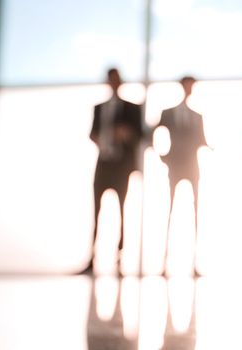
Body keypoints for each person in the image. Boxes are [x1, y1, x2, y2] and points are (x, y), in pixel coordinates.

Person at [86, 68, 143, 274]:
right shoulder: (99, 108)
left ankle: (119, 260)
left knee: (122, 211)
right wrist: (99, 140)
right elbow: (92, 133)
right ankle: (91, 259)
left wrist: (126, 134)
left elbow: (139, 135)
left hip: (121, 166)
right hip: (103, 163)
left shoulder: (132, 108)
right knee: (96, 211)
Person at [156, 76, 207, 276]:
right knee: (169, 210)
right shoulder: (168, 112)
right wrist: (163, 155)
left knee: (196, 213)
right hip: (175, 165)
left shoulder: (197, 115)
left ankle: (194, 263)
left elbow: (202, 140)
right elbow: (155, 132)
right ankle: (164, 262)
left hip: (192, 166)